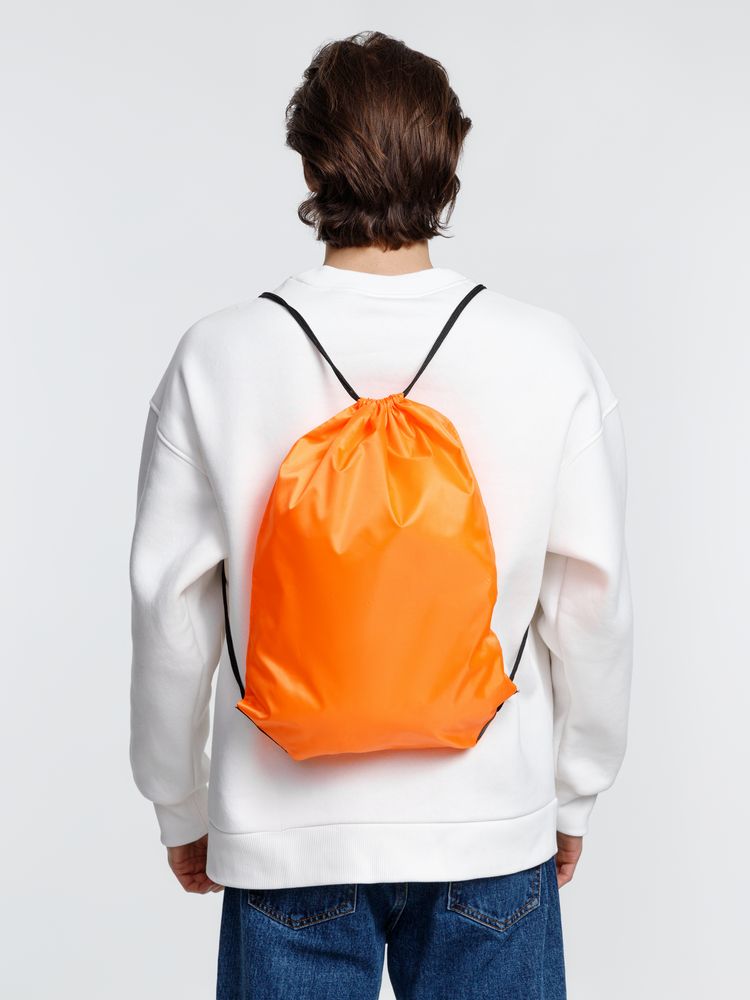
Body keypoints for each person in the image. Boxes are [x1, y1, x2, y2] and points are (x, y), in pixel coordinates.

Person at [129, 29, 633, 1000]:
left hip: (286, 838)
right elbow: (592, 606)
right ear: (450, 159)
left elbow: (168, 608)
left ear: (311, 164)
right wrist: (574, 788)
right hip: (489, 826)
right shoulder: (547, 353)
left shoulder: (217, 356)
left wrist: (178, 802)